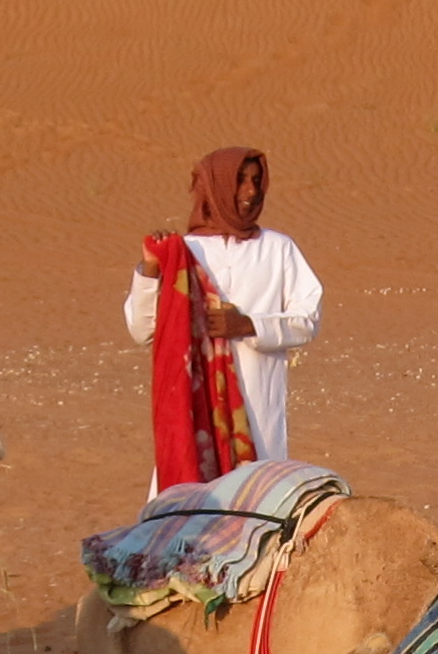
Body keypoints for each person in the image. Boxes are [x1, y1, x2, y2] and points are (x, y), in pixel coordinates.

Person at [121, 146, 322, 490]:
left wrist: (249, 326)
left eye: (256, 181)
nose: (250, 191)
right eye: (239, 181)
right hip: (194, 412)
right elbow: (142, 331)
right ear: (213, 188)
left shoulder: (278, 249)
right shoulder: (183, 252)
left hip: (258, 416)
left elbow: (309, 317)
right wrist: (150, 269)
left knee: (256, 513)